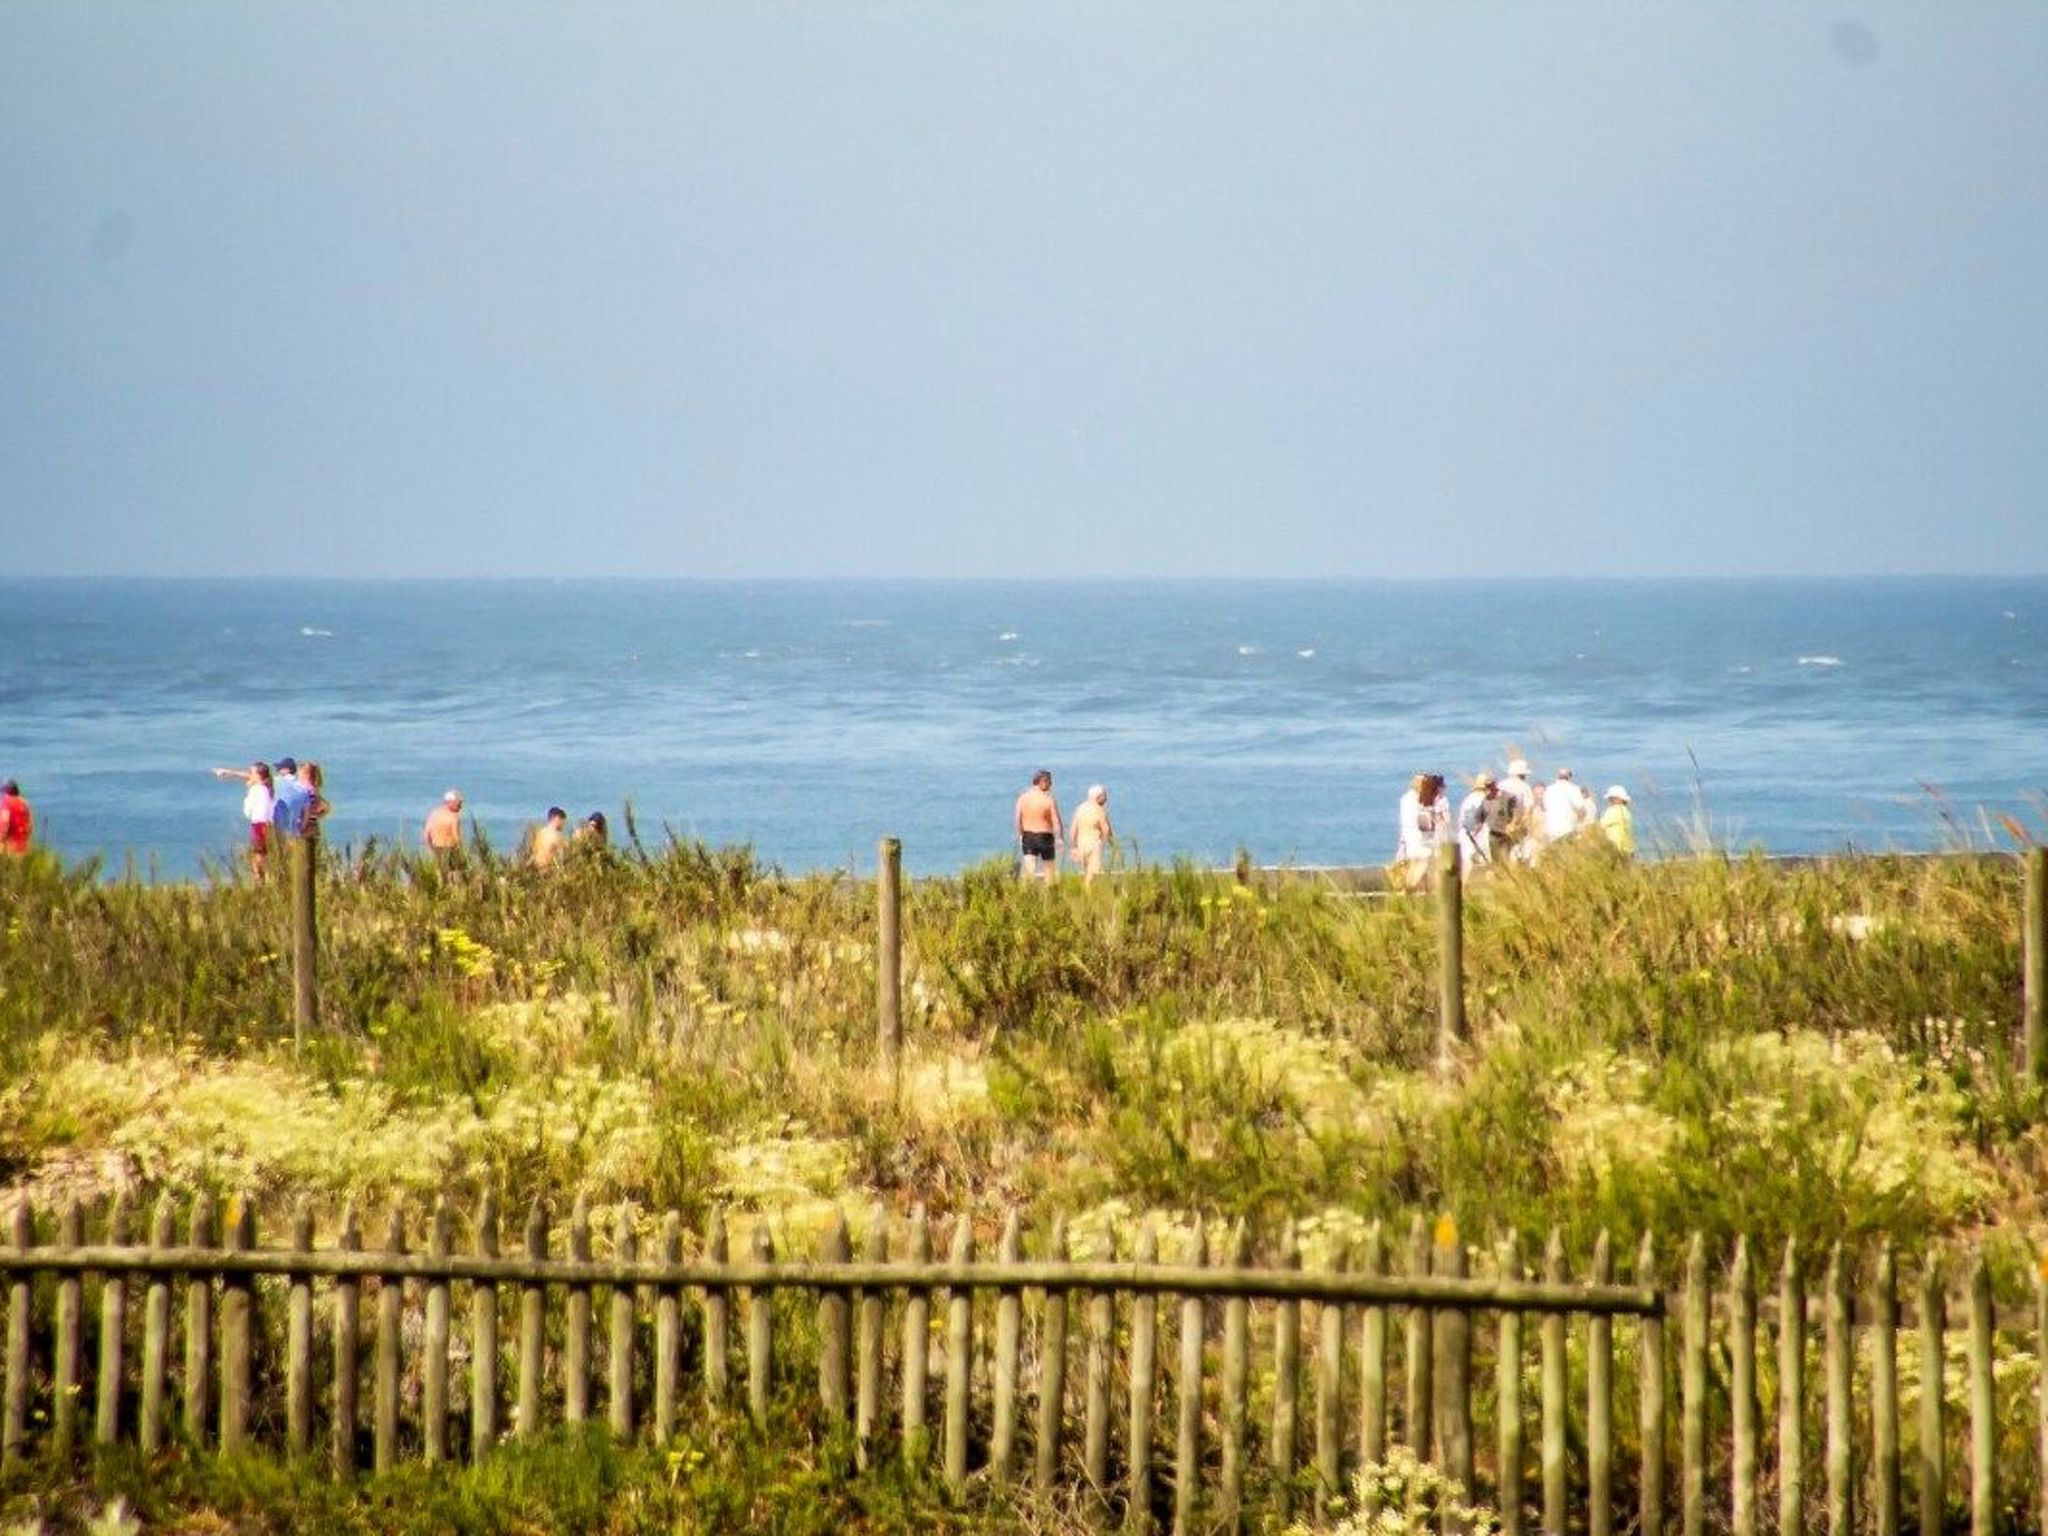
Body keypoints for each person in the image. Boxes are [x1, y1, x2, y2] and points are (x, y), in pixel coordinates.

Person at [211, 761, 275, 878]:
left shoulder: (255, 790)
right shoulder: (267, 787)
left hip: (258, 824)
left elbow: (247, 812)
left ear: (258, 775)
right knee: (265, 853)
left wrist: (247, 794)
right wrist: (228, 772)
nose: (249, 774)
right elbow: (246, 776)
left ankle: (261, 880)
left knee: (258, 854)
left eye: (251, 772)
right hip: (268, 824)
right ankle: (267, 878)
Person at [1394, 773, 1447, 890]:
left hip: (1410, 837)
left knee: (1416, 863)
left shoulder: (1406, 798)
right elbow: (1424, 822)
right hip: (1420, 837)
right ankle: (1411, 888)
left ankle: (1414, 889)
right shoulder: (1417, 800)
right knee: (1423, 863)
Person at [1014, 770, 1063, 883]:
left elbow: (1018, 819)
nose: (1051, 785)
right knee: (1049, 869)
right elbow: (1056, 821)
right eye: (1049, 782)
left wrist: (1021, 835)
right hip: (1045, 836)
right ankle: (1049, 893)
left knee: (1030, 868)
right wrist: (1060, 838)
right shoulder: (1048, 799)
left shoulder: (1022, 798)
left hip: (1028, 836)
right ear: (1042, 782)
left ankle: (1029, 893)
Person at [1541, 767, 1596, 847]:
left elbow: (1544, 808)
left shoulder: (1549, 789)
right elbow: (1582, 810)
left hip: (1550, 830)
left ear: (1558, 777)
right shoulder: (1573, 789)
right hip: (1566, 830)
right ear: (1569, 777)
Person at [1069, 784, 1115, 879]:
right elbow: (1106, 830)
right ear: (1099, 797)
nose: (1106, 799)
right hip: (1094, 845)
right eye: (1104, 796)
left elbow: (1073, 829)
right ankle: (1088, 892)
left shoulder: (1080, 809)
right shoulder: (1099, 810)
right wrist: (1111, 843)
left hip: (1081, 845)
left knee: (1087, 872)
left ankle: (1086, 891)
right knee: (1093, 875)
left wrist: (1073, 846)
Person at [1456, 772, 1497, 868]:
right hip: (1481, 836)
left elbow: (1461, 820)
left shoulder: (1468, 799)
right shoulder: (1487, 800)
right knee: (1486, 865)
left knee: (1467, 865)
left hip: (1466, 834)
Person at [270, 756, 314, 839]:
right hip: (294, 832)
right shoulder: (303, 789)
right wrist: (301, 828)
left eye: (280, 768)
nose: (278, 770)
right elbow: (306, 813)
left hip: (277, 830)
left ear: (287, 770)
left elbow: (261, 779)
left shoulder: (276, 782)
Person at [424, 790, 464, 856]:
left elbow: (426, 834)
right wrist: (461, 852)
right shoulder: (453, 816)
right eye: (458, 803)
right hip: (451, 850)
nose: (460, 806)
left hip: (436, 849)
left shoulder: (434, 814)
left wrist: (431, 849)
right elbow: (456, 837)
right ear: (450, 802)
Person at [1600, 785, 1636, 856]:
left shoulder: (1613, 810)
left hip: (1615, 849)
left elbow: (1601, 825)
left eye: (1610, 798)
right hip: (1628, 849)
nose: (1609, 801)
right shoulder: (1627, 812)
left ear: (1616, 799)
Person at [0, 780, 31, 856]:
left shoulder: (7, 803)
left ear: (7, 792)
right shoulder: (25, 804)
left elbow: (4, 824)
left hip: (10, 848)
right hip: (23, 847)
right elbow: (30, 826)